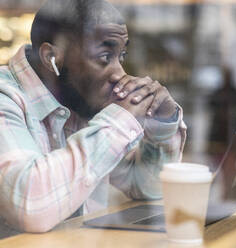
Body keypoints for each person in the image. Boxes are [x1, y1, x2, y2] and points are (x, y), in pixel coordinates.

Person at [0, 0, 186, 235]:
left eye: (122, 55)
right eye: (104, 56)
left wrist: (162, 125)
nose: (120, 73)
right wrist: (120, 120)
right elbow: (29, 205)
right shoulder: (6, 97)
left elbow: (149, 187)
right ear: (51, 58)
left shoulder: (80, 99)